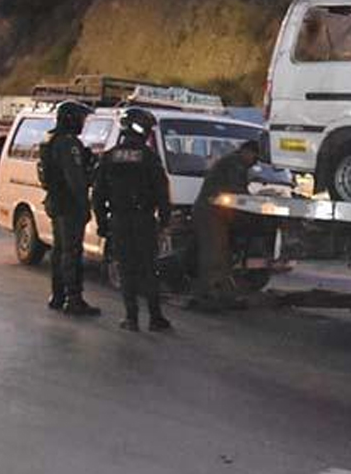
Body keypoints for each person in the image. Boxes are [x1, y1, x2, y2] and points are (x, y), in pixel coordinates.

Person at [92, 108, 172, 332]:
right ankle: (155, 318)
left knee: (126, 269)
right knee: (149, 268)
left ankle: (131, 318)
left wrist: (102, 224)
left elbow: (98, 195)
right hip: (144, 220)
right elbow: (162, 192)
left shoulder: (109, 157)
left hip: (119, 220)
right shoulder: (148, 157)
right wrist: (164, 222)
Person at [39, 100, 101, 316]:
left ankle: (58, 295)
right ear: (71, 119)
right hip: (69, 203)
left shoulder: (50, 139)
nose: (83, 124)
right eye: (81, 119)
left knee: (59, 250)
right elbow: (74, 178)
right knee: (71, 252)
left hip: (55, 200)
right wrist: (84, 202)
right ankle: (73, 298)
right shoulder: (68, 143)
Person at [190, 140, 260, 311]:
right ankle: (206, 295)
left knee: (222, 254)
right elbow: (236, 190)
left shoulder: (234, 163)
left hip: (215, 212)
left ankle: (219, 293)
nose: (254, 162)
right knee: (214, 254)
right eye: (254, 157)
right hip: (210, 212)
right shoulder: (234, 164)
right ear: (247, 152)